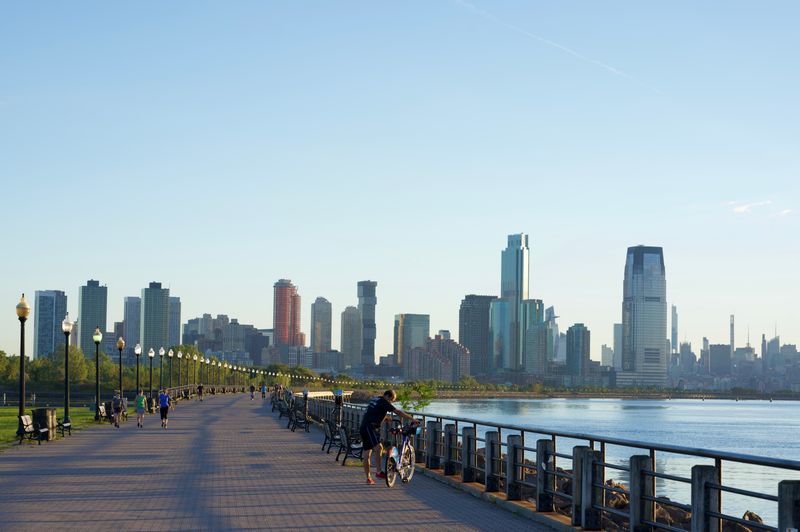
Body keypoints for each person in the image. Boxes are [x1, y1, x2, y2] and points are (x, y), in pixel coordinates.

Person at [359, 390, 417, 485]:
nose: (391, 402)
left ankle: (368, 478)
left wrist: (385, 418)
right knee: (379, 448)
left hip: (364, 426)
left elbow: (373, 411)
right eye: (391, 399)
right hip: (370, 428)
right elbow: (398, 412)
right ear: (387, 396)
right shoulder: (384, 401)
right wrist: (412, 419)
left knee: (367, 453)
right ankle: (378, 472)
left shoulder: (376, 399)